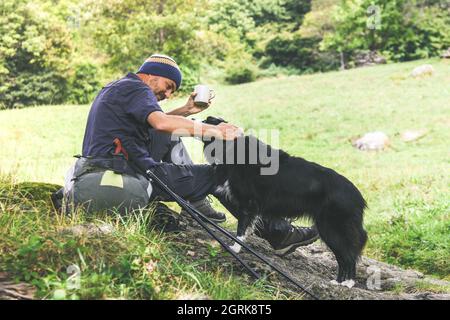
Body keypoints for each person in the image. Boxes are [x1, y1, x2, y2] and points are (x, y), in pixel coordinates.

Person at [52, 54, 318, 256]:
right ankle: (277, 232)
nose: (166, 94)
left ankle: (198, 199)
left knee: (175, 134)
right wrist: (215, 130)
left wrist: (187, 111)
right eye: (168, 86)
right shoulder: (136, 89)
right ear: (151, 75)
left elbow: (159, 125)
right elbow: (160, 123)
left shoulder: (118, 88)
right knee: (224, 175)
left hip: (111, 167)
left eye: (171, 91)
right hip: (131, 173)